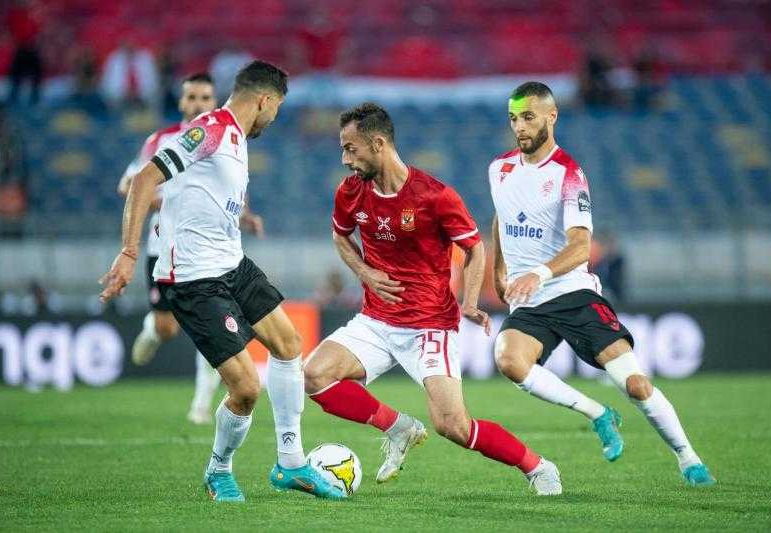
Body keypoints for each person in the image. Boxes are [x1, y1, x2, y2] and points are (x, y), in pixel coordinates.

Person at [99, 60, 345, 502]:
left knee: (289, 346)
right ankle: (218, 470)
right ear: (266, 100)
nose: (274, 119)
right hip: (193, 278)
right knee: (247, 388)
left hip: (232, 263)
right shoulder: (210, 128)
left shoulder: (236, 138)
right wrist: (130, 251)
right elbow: (143, 179)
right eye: (277, 109)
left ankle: (291, 463)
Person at [303, 103, 562, 496]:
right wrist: (364, 272)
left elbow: (475, 249)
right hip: (375, 320)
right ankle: (399, 427)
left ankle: (538, 467)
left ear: (378, 143)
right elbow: (341, 235)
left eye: (351, 149)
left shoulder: (435, 196)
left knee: (453, 426)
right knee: (315, 375)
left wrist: (470, 301)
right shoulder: (351, 192)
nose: (345, 159)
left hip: (428, 326)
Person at [490, 81, 715, 486]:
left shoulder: (569, 174)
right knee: (508, 360)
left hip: (572, 293)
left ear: (550, 116)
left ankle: (688, 456)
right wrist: (498, 271)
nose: (519, 126)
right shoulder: (499, 169)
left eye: (527, 116)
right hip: (529, 302)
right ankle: (597, 413)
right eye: (513, 118)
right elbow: (501, 218)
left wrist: (537, 273)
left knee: (635, 384)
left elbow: (580, 247)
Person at [118, 73, 263, 425]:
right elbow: (129, 185)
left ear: (214, 102)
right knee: (167, 328)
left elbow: (229, 191)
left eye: (205, 97)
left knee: (213, 329)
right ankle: (153, 331)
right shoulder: (161, 140)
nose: (198, 103)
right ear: (182, 103)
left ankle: (200, 405)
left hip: (207, 253)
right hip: (163, 248)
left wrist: (244, 215)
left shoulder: (226, 137)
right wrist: (167, 199)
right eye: (192, 97)